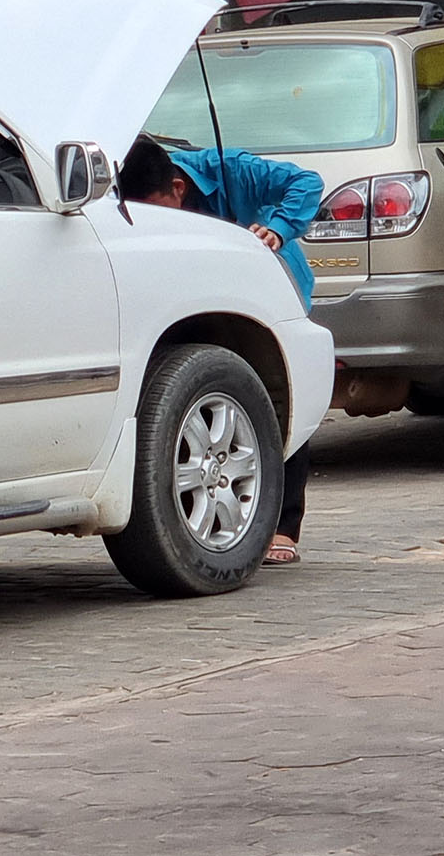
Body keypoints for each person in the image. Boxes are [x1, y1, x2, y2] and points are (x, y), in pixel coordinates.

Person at [119, 135, 324, 567]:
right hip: (193, 309)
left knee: (278, 398)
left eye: (159, 211)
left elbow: (307, 182)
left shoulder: (230, 169)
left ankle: (285, 527)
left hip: (270, 302)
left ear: (178, 188)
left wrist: (278, 228)